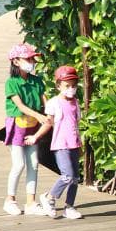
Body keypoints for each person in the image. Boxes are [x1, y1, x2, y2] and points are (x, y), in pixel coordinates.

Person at [25, 65, 84, 220]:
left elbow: (75, 125)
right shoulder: (54, 103)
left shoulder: (75, 103)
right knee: (67, 176)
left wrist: (81, 144)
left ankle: (69, 207)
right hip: (61, 145)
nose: (71, 89)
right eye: (67, 86)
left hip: (74, 144)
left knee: (75, 178)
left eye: (73, 86)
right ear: (58, 86)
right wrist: (35, 137)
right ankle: (49, 197)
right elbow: (48, 123)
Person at [3, 42, 49, 216]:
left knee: (34, 164)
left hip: (33, 127)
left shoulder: (37, 81)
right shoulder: (11, 83)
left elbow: (45, 101)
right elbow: (20, 106)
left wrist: (51, 114)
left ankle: (31, 202)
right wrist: (39, 116)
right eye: (28, 59)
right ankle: (10, 200)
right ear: (16, 62)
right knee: (19, 164)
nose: (32, 62)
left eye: (32, 59)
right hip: (17, 126)